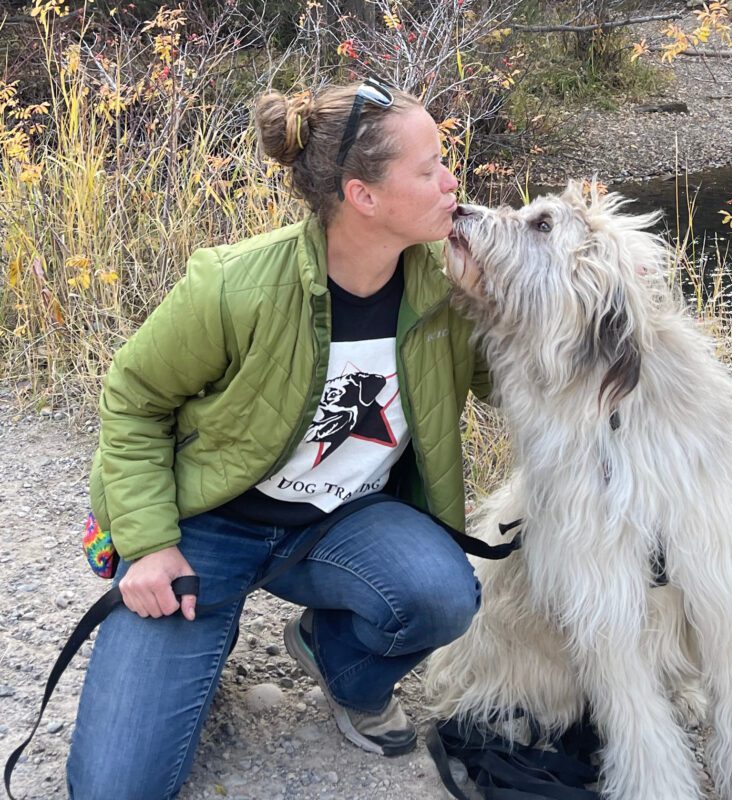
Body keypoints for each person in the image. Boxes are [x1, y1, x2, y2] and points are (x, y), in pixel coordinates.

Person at [65, 79, 490, 800]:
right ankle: (202, 629)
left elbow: (524, 386)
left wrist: (559, 301)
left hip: (345, 526)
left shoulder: (449, 288)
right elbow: (133, 401)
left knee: (443, 594)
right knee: (116, 788)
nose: (454, 184)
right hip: (209, 527)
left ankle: (338, 660)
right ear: (364, 197)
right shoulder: (233, 286)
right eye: (430, 169)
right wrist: (148, 543)